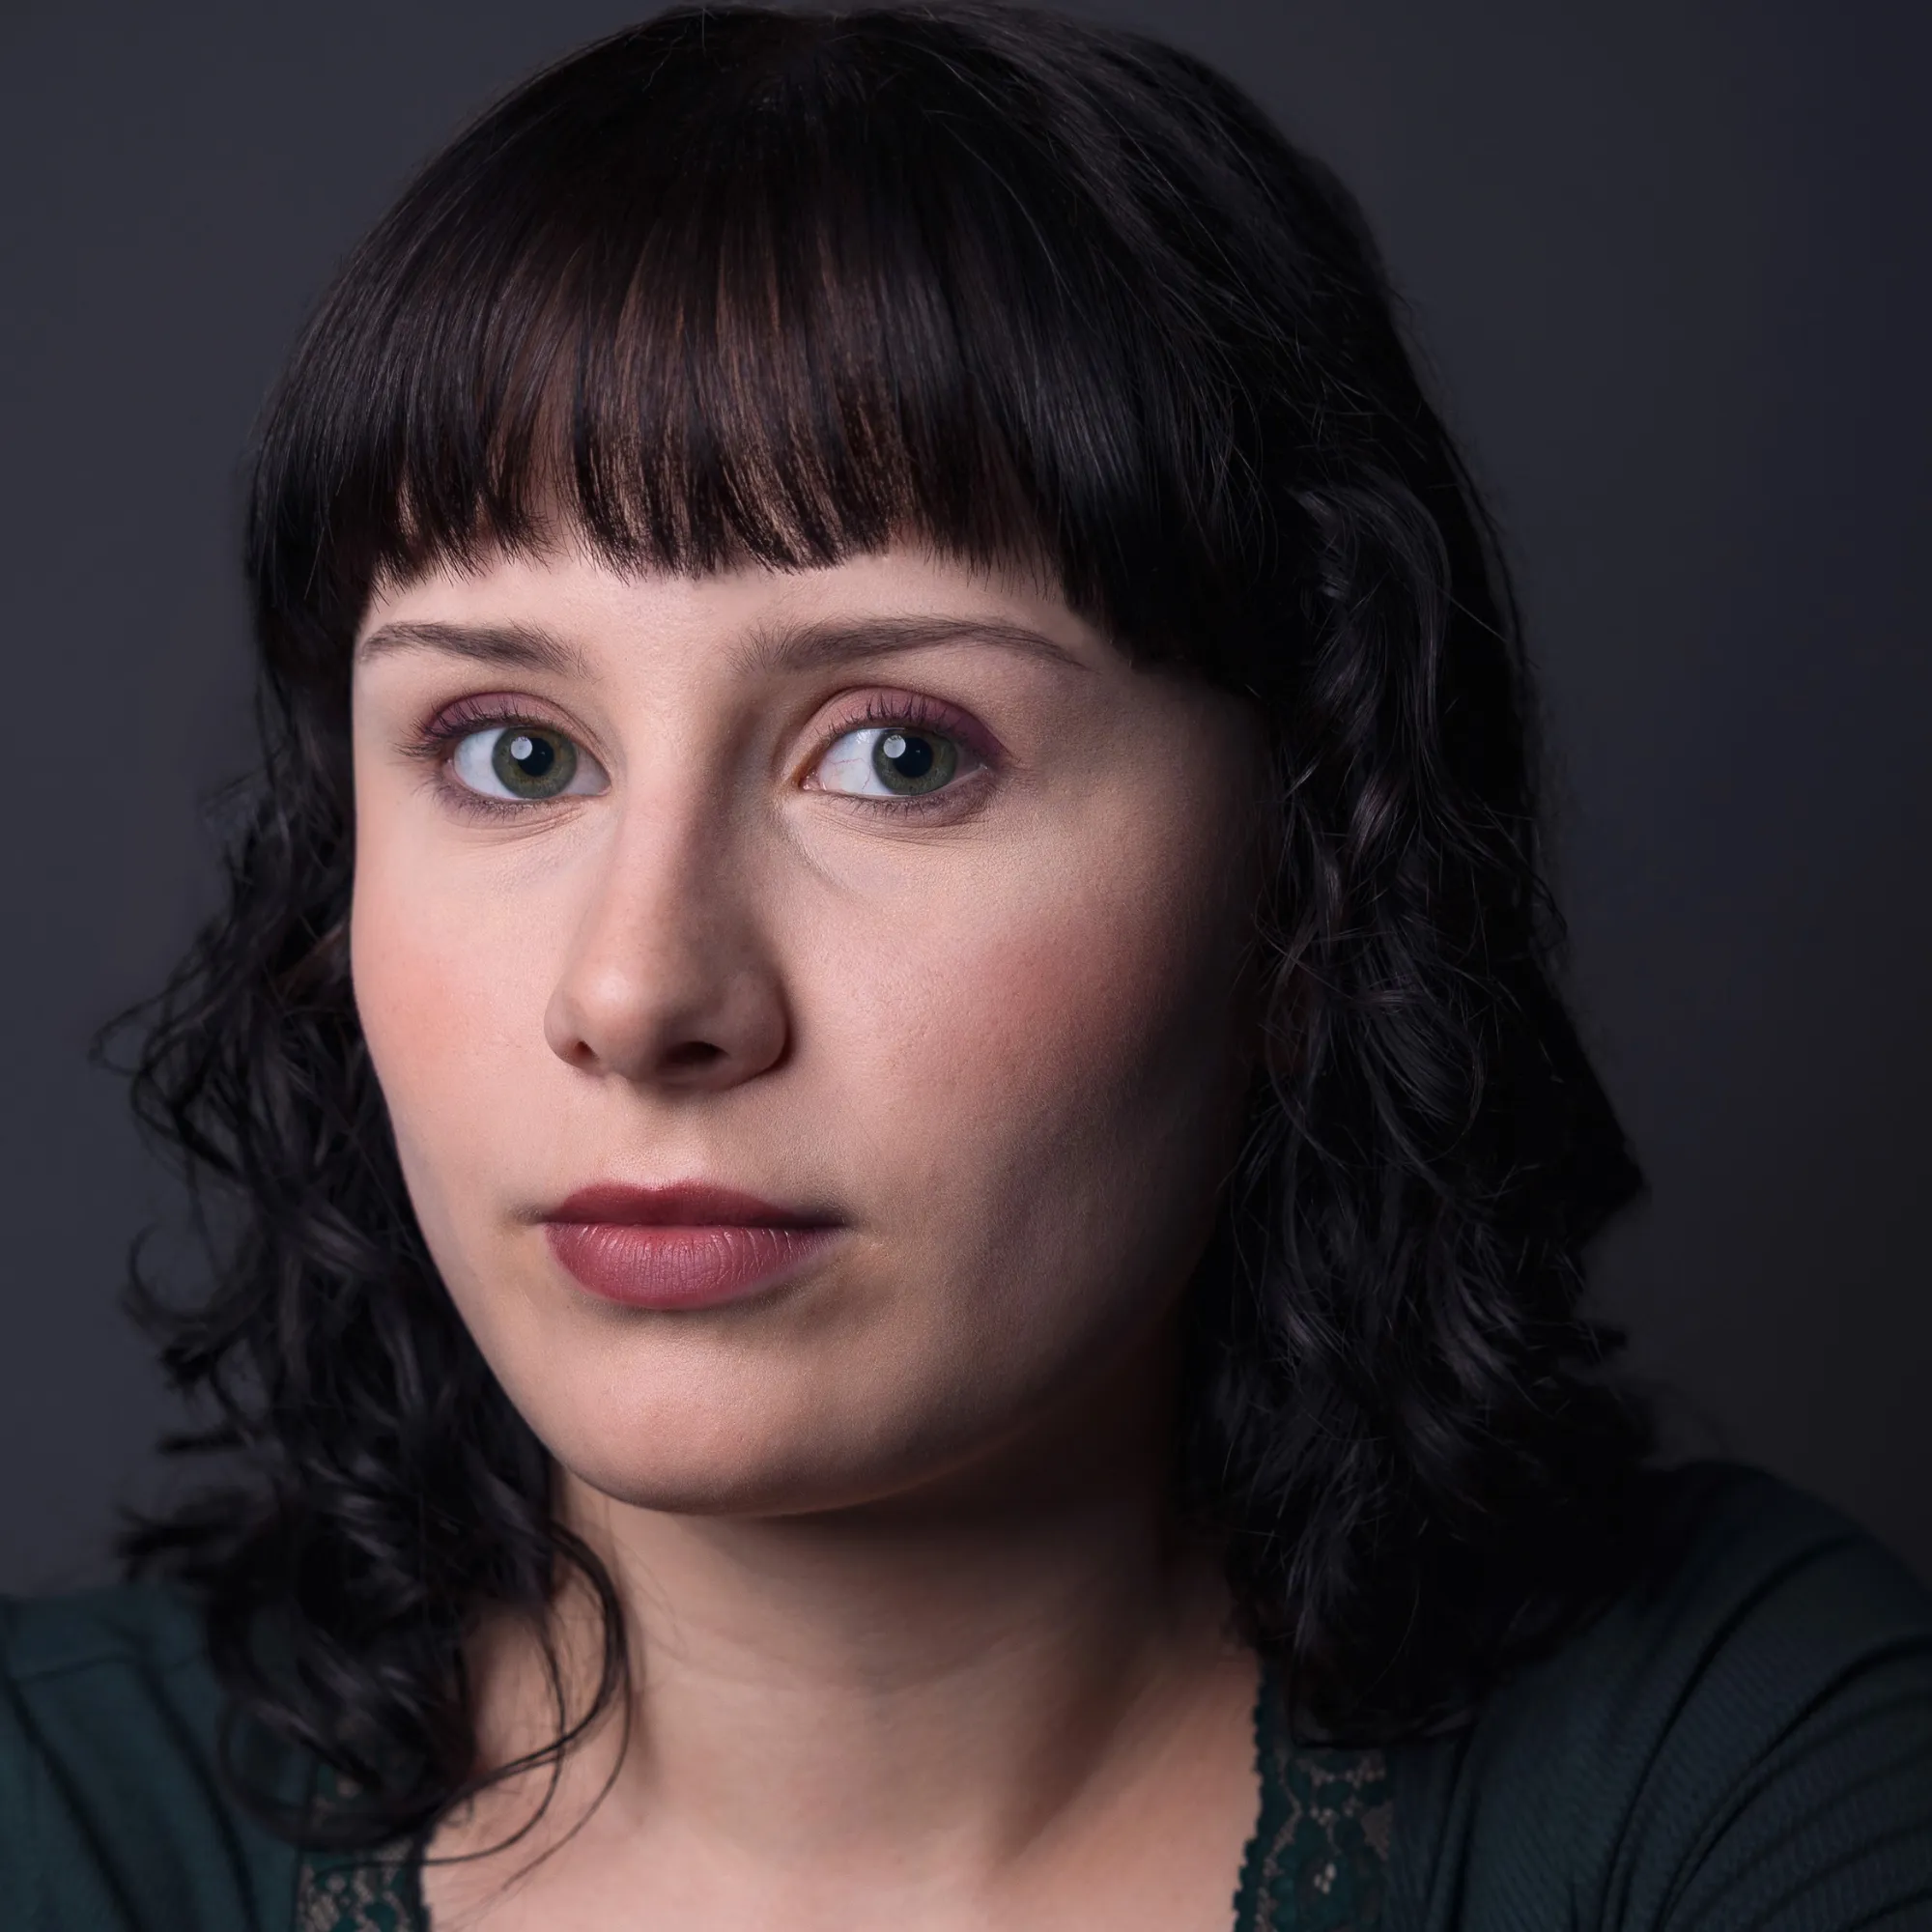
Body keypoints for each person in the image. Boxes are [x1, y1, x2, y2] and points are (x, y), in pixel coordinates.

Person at [4, 5, 1928, 1928]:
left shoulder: (1743, 1770)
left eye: (900, 753)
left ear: (1311, 868)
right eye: (515, 752)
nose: (639, 990)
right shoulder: (57, 1826)